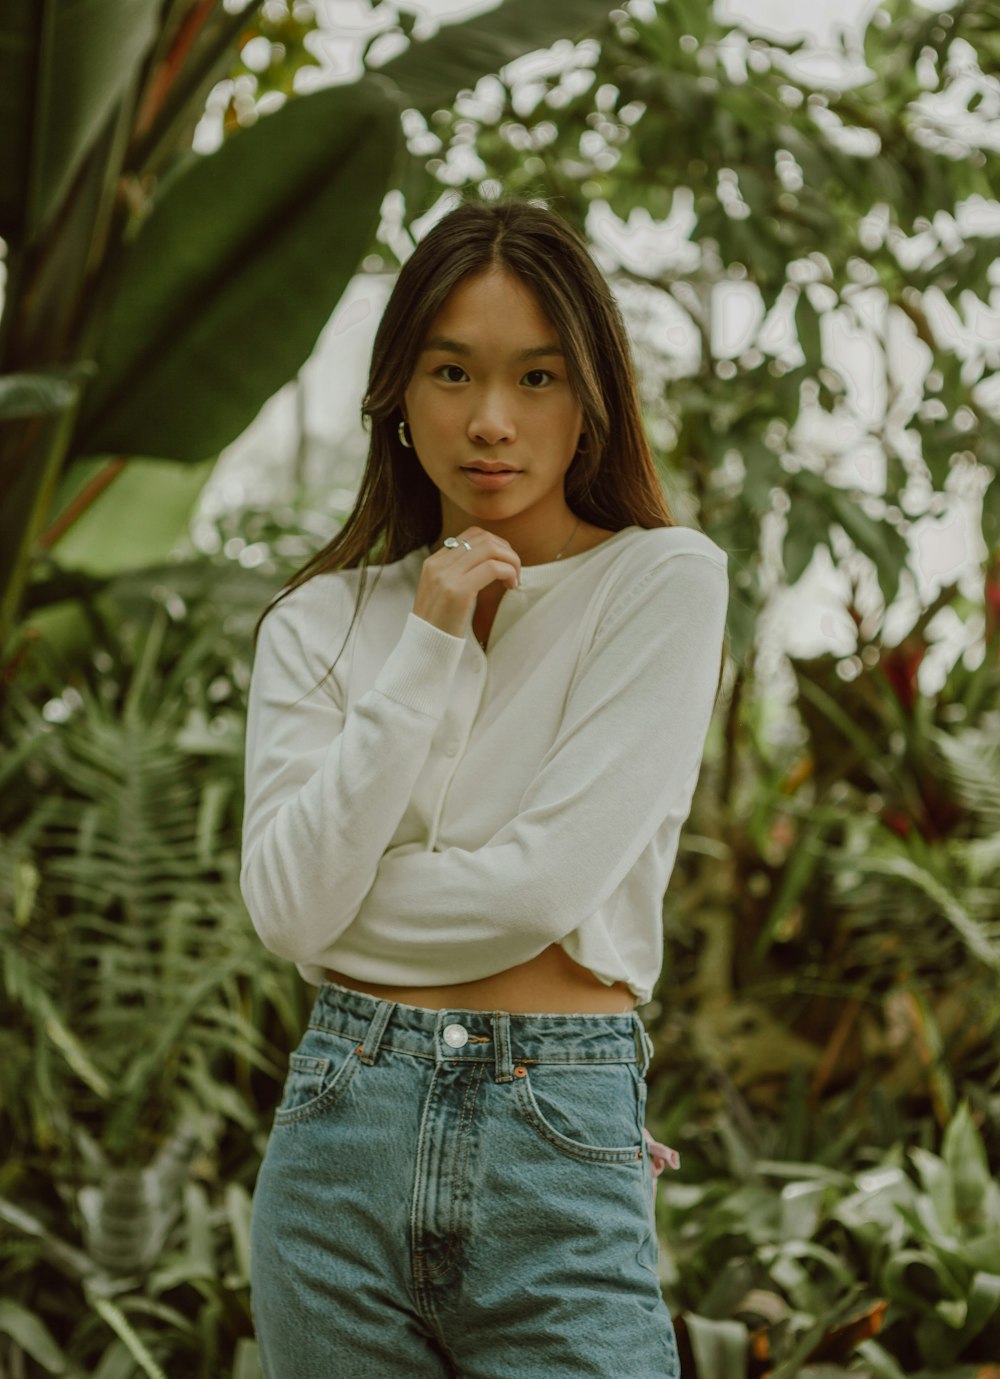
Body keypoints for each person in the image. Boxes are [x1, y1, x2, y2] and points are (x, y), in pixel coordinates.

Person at [240, 198, 728, 1379]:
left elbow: (537, 887)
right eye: (451, 371)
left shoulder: (660, 581)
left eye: (539, 376)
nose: (492, 421)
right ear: (397, 394)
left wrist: (357, 906)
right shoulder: (320, 620)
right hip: (337, 1143)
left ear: (591, 397)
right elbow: (289, 909)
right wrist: (431, 634)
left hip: (552, 1129)